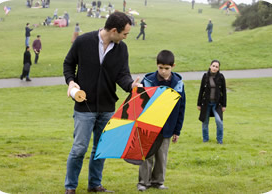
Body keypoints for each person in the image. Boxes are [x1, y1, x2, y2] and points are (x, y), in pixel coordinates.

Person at [63, 12, 142, 194]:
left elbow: (122, 75)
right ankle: (70, 187)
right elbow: (68, 64)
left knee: (101, 149)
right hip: (84, 107)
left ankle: (95, 185)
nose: (125, 37)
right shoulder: (83, 41)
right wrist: (71, 81)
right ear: (114, 30)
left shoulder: (121, 49)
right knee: (79, 148)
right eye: (125, 33)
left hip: (107, 108)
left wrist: (131, 85)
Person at [137, 50, 186, 191]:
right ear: (157, 65)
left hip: (168, 127)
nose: (163, 71)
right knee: (147, 155)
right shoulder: (148, 81)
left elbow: (181, 108)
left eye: (167, 68)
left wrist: (177, 130)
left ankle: (158, 182)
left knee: (162, 156)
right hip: (149, 125)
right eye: (160, 68)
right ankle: (143, 182)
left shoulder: (178, 84)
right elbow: (139, 103)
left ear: (173, 66)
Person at [197, 60, 227, 144]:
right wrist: (199, 104)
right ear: (210, 66)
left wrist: (224, 105)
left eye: (216, 67)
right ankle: (205, 139)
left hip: (217, 104)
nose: (214, 68)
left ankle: (219, 140)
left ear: (218, 68)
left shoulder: (221, 77)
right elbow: (201, 90)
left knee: (219, 121)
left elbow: (224, 91)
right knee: (205, 122)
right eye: (213, 66)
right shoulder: (205, 76)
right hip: (206, 103)